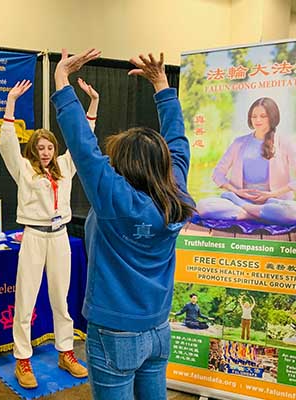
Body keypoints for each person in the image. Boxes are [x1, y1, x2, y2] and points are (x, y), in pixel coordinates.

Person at [51, 48, 195, 400]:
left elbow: (84, 150)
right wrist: (162, 85)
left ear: (124, 165)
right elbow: (177, 143)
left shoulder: (116, 200)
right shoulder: (175, 194)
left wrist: (61, 81)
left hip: (115, 332)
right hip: (159, 328)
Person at [0, 78, 98, 389]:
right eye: (40, 147)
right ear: (33, 150)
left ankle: (66, 352)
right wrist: (11, 103)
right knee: (25, 298)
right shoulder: (24, 169)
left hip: (59, 236)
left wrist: (93, 103)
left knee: (61, 298)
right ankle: (23, 359)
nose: (45, 152)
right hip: (33, 236)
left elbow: (84, 141)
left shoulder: (65, 167)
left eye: (49, 147)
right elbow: (7, 145)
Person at [197, 97, 296, 225]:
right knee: (203, 206)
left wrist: (271, 195)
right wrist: (236, 192)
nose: (257, 120)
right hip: (239, 200)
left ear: (272, 117)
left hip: (274, 202)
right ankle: (255, 213)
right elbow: (217, 174)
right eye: (254, 116)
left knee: (291, 211)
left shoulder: (285, 142)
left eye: (263, 116)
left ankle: (247, 213)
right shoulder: (239, 143)